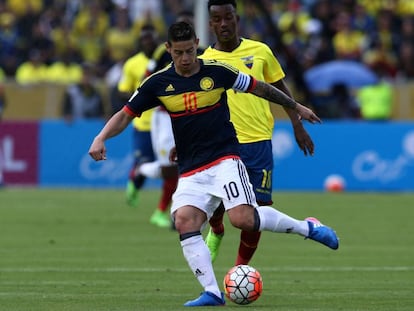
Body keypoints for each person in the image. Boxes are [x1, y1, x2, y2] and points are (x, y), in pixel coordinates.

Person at [88, 21, 339, 307]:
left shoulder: (217, 72)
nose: (185, 58)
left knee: (242, 219)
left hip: (225, 160)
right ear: (168, 49)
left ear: (197, 43)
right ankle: (212, 292)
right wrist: (100, 137)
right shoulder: (157, 83)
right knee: (184, 220)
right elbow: (125, 114)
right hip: (192, 169)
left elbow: (261, 88)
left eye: (189, 51)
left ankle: (308, 227)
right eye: (178, 52)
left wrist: (296, 107)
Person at [200, 0, 316, 265]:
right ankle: (216, 229)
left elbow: (281, 89)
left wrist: (297, 125)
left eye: (228, 17)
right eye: (217, 19)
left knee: (257, 214)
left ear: (236, 18)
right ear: (210, 24)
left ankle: (240, 270)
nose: (223, 24)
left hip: (258, 142)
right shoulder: (204, 61)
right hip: (222, 144)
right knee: (217, 207)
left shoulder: (260, 51)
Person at [129, 10, 204, 229]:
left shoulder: (201, 55)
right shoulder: (161, 55)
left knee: (185, 166)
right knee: (168, 169)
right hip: (163, 118)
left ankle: (168, 211)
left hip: (189, 117)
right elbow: (146, 81)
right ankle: (140, 171)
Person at [118, 23, 171, 228]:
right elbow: (123, 90)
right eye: (144, 38)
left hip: (168, 119)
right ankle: (137, 176)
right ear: (140, 40)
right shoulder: (133, 64)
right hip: (142, 122)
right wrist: (139, 98)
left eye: (150, 37)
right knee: (154, 162)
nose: (147, 41)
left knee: (173, 168)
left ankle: (164, 211)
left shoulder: (166, 56)